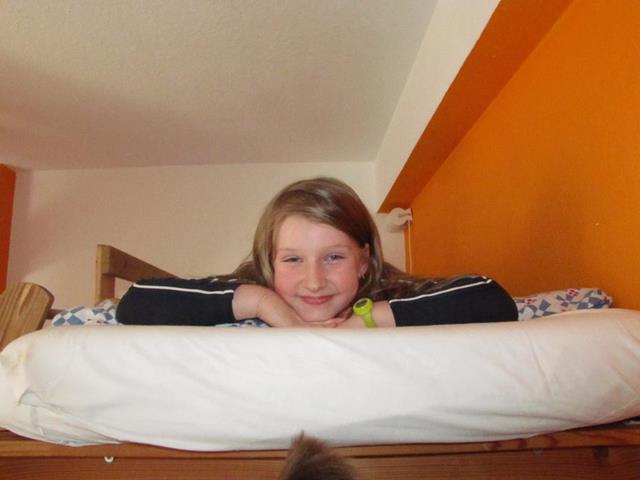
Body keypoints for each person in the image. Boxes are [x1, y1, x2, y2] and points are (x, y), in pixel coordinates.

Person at [116, 177, 517, 328]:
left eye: (334, 257)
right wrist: (262, 303)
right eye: (292, 259)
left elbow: (492, 298)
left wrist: (368, 320)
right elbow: (135, 302)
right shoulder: (252, 290)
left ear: (363, 262)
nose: (313, 281)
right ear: (269, 263)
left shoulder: (387, 294)